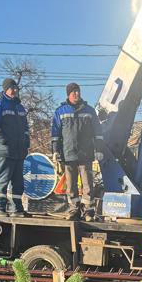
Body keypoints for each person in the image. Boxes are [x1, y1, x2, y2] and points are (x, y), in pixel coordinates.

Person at [51, 83, 99, 217]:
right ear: (68, 94)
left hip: (86, 153)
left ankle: (88, 210)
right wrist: (55, 150)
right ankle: (74, 209)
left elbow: (98, 131)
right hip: (68, 153)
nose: (76, 94)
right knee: (71, 184)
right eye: (73, 92)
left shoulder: (89, 111)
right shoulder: (60, 111)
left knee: (87, 183)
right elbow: (55, 133)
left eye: (78, 91)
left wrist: (99, 149)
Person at [0, 78, 29, 215]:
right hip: (5, 150)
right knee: (2, 179)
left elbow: (25, 127)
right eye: (11, 88)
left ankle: (17, 208)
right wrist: (3, 140)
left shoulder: (20, 107)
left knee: (18, 182)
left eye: (16, 88)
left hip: (19, 151)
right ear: (5, 89)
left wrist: (26, 140)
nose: (14, 90)